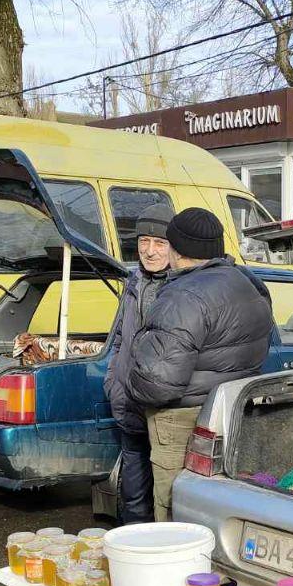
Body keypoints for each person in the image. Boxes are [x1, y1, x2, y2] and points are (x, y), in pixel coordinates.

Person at [126, 207, 274, 520]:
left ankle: (179, 569)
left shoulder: (182, 295)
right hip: (235, 411)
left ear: (176, 249)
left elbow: (157, 382)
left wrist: (131, 391)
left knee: (175, 511)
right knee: (223, 508)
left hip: (182, 419)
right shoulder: (249, 282)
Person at [104, 203, 173, 522]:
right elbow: (119, 337)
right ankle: (133, 548)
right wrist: (113, 380)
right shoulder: (133, 283)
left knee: (168, 491)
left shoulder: (183, 285)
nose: (150, 250)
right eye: (144, 241)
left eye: (159, 243)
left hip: (167, 406)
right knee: (133, 490)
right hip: (130, 400)